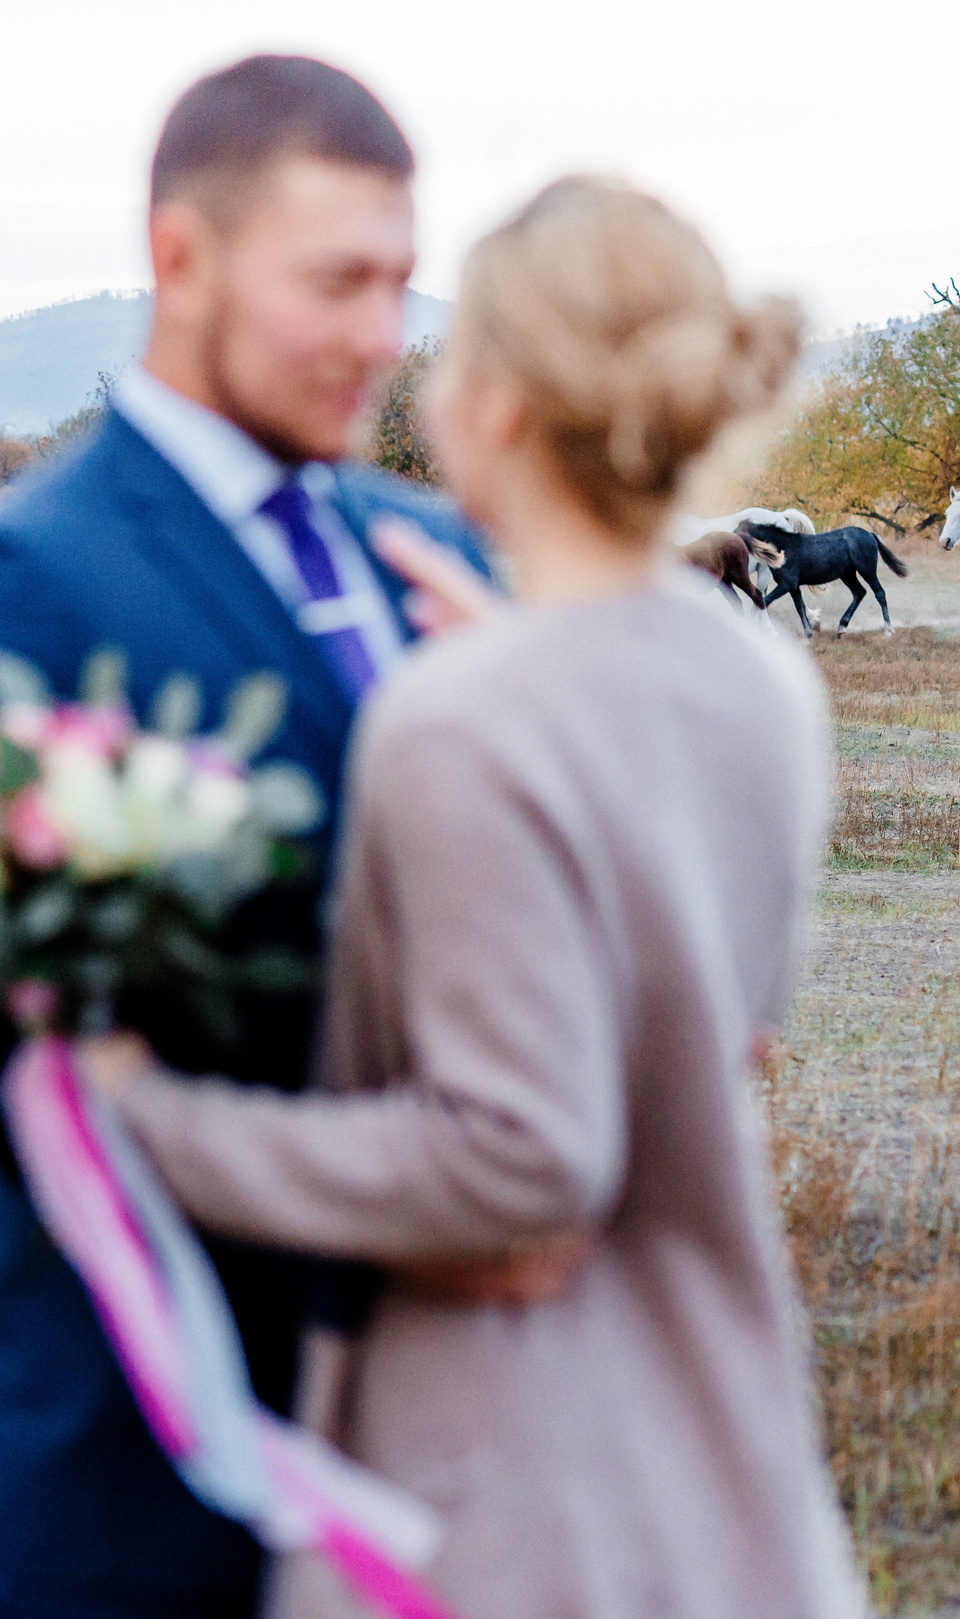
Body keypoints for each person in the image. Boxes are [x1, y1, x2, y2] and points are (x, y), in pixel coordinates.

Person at [81, 177, 865, 1619]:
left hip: (503, 1502)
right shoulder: (757, 679)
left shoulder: (461, 719)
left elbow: (517, 1159)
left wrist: (154, 1120)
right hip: (727, 1468)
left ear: (494, 404)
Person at [0, 55, 490, 1618]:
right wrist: (428, 1171)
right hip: (147, 1479)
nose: (380, 339)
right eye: (335, 283)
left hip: (472, 1450)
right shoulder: (21, 583)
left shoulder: (435, 554)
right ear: (182, 258)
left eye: (402, 287)